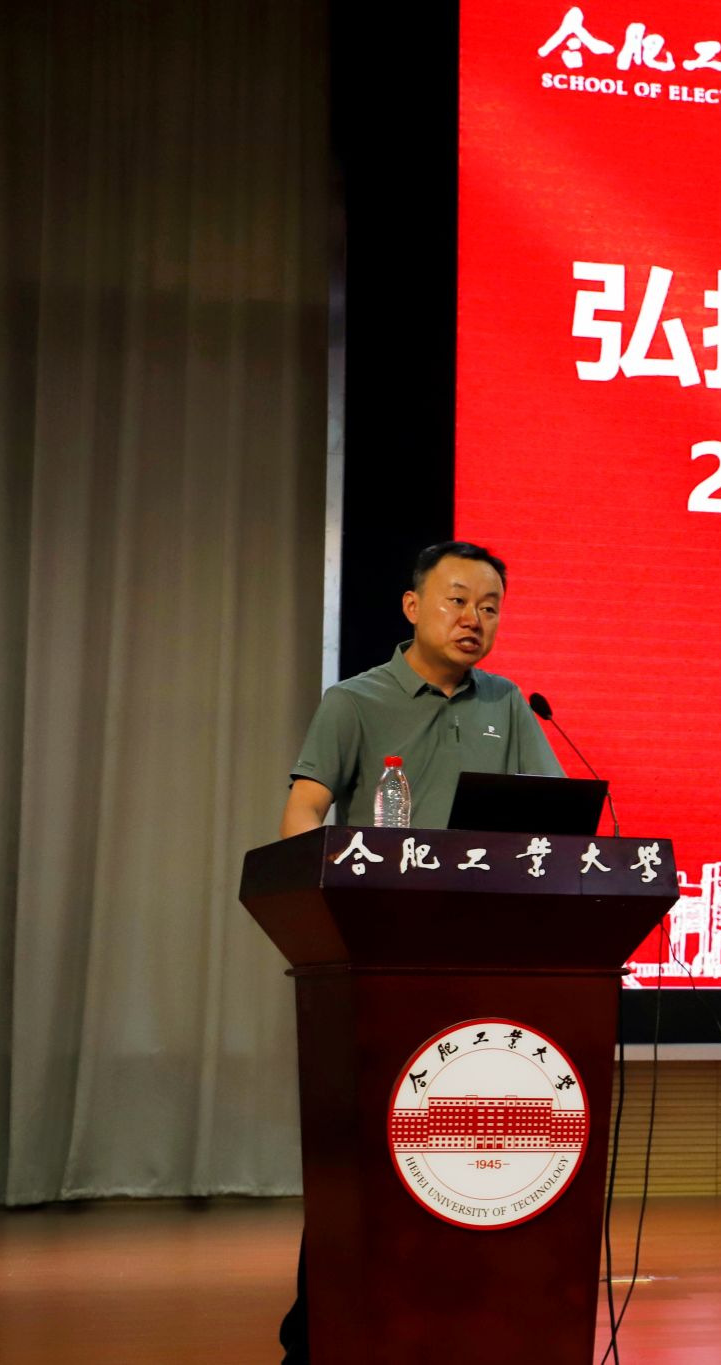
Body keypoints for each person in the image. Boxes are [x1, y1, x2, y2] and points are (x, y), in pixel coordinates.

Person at [276, 540, 563, 1364]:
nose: (475, 618)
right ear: (412, 607)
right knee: (369, 1150)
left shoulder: (509, 705)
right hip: (378, 962)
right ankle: (320, 1331)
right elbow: (305, 810)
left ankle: (466, 1316)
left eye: (490, 607)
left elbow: (554, 818)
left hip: (486, 962)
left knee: (468, 1153)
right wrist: (315, 911)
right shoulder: (355, 701)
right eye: (458, 599)